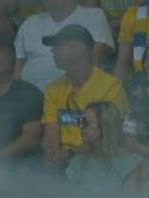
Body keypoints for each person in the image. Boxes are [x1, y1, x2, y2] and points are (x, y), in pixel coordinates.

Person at [40, 25, 126, 169]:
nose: (53, 50)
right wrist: (53, 155)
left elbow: (109, 139)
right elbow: (50, 134)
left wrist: (68, 153)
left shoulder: (110, 87)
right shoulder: (53, 89)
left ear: (79, 49)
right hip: (61, 161)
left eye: (59, 45)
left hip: (97, 160)